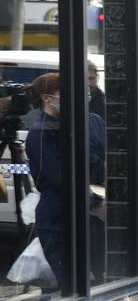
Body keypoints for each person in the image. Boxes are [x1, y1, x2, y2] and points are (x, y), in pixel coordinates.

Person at [26, 72, 106, 287]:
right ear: (47, 98)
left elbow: (107, 164)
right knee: (71, 284)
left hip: (95, 214)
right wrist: (94, 202)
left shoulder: (92, 121)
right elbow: (59, 177)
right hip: (61, 216)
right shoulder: (41, 133)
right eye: (66, 93)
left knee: (98, 280)